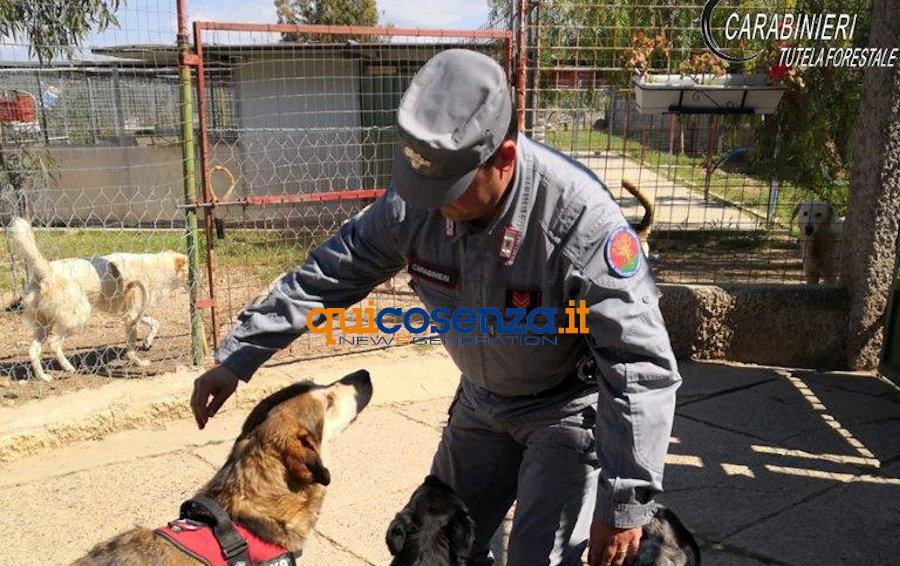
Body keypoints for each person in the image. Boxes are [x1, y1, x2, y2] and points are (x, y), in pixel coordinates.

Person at [191, 49, 681, 566]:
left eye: (450, 189)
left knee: (537, 557)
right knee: (431, 551)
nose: (434, 205)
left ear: (504, 159)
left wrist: (624, 501)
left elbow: (638, 362)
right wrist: (239, 354)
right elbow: (331, 273)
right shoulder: (416, 204)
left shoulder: (581, 221)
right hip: (481, 404)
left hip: (565, 410)